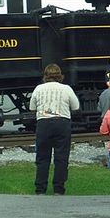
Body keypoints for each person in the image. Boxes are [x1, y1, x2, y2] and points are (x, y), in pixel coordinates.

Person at [29, 63, 80, 195]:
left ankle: (40, 188)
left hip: (43, 123)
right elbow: (75, 106)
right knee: (61, 157)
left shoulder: (38, 89)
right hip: (61, 122)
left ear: (45, 76)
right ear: (60, 76)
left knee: (42, 157)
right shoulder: (66, 89)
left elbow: (32, 107)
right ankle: (58, 188)